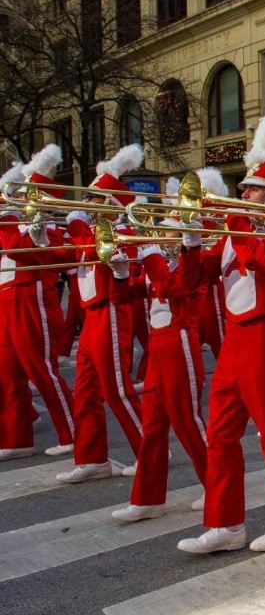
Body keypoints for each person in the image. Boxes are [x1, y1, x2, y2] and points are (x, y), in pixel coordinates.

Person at [177, 112, 265, 554]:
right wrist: (191, 242)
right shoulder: (236, 232)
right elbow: (194, 280)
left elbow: (263, 260)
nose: (241, 194)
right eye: (243, 188)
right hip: (234, 339)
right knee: (220, 434)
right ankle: (225, 524)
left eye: (251, 189)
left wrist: (236, 223)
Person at [110, 172, 221, 521]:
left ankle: (217, 487)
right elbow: (125, 296)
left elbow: (175, 287)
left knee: (187, 421)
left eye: (169, 233)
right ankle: (147, 497)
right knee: (153, 427)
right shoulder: (160, 262)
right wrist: (117, 271)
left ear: (185, 238)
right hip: (158, 347)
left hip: (180, 344)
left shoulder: (195, 264)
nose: (160, 237)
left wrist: (156, 257)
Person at [56, 144, 147, 483]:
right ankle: (93, 457)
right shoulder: (93, 230)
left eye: (94, 199)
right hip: (91, 316)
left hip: (110, 312)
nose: (87, 204)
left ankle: (149, 452)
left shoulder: (118, 231)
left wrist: (79, 228)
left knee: (118, 390)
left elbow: (95, 250)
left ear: (110, 203)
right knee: (85, 391)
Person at [0, 147, 77, 460]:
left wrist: (28, 231)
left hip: (32, 297)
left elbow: (45, 261)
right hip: (6, 298)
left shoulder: (48, 226)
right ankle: (17, 438)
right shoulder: (11, 222)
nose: (17, 196)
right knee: (7, 373)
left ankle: (74, 432)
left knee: (42, 370)